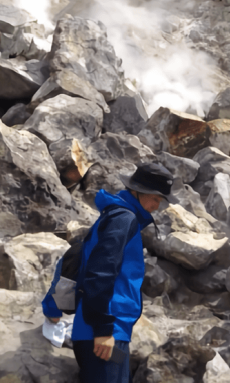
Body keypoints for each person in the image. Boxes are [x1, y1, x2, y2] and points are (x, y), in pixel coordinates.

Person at [42, 163, 174, 383]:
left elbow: (77, 259)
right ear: (138, 191)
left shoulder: (116, 215)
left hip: (106, 331)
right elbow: (100, 272)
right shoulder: (123, 219)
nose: (156, 206)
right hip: (104, 332)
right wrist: (103, 330)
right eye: (155, 199)